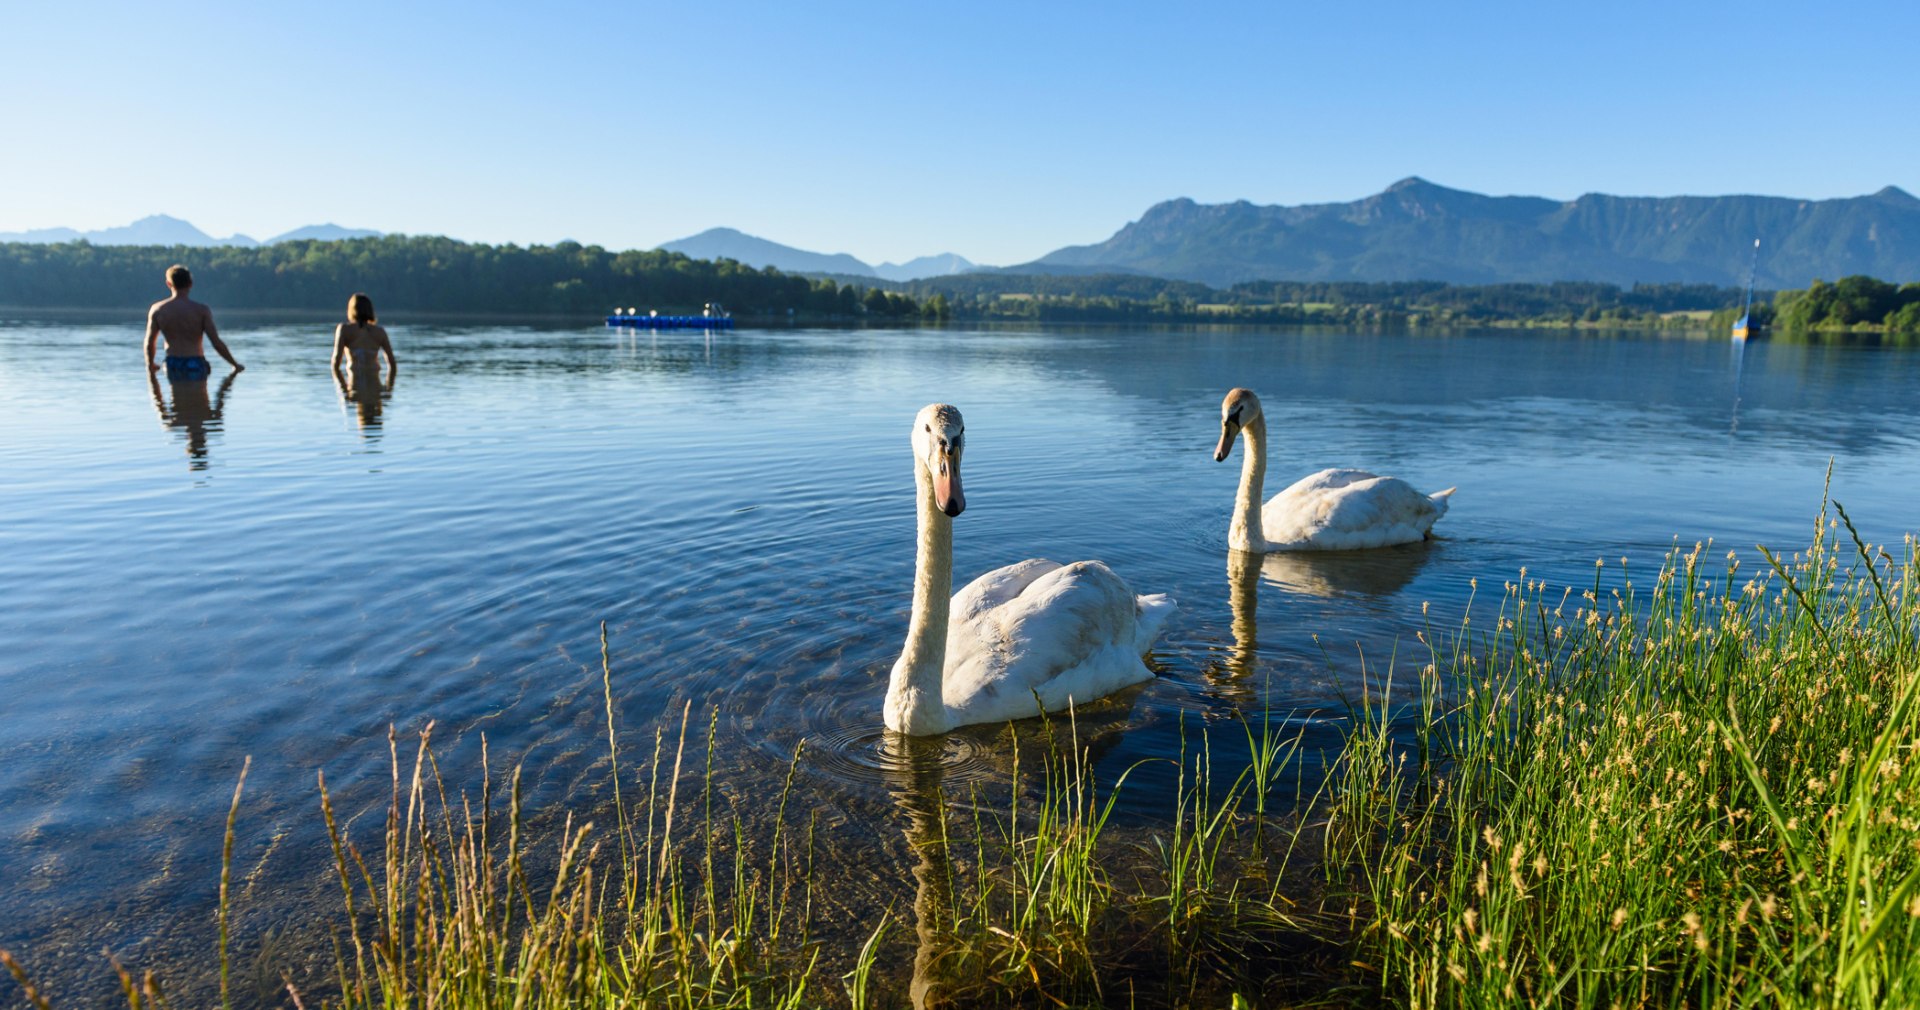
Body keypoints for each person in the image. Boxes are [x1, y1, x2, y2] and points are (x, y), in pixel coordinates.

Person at [143, 264, 243, 379]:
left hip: (172, 363)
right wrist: (234, 364)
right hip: (196, 361)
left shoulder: (158, 310)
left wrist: (150, 364)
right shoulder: (201, 311)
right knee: (199, 396)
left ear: (169, 284)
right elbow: (216, 343)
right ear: (190, 284)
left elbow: (149, 342)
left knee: (176, 395)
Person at [330, 292, 396, 385]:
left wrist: (343, 390)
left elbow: (336, 362)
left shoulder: (344, 330)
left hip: (354, 379)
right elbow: (392, 362)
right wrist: (388, 389)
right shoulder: (379, 332)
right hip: (374, 385)